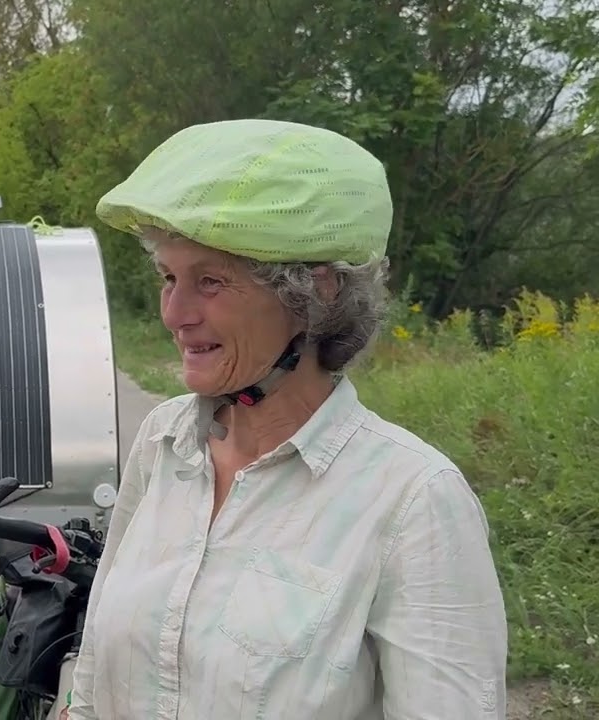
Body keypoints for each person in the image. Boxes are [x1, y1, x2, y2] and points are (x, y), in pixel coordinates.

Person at [69, 119, 508, 719]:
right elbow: (95, 670)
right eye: (169, 277)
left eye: (211, 282)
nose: (174, 314)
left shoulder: (414, 502)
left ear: (316, 292)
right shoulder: (164, 443)